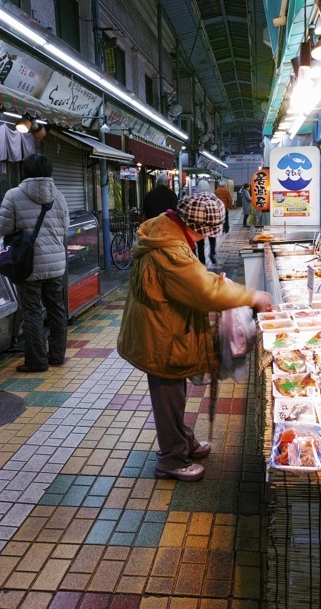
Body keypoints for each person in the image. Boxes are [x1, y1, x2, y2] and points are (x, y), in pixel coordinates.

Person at [117, 192, 271, 481]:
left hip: (162, 329)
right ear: (198, 228)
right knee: (167, 398)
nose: (204, 239)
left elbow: (198, 277)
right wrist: (253, 296)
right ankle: (171, 460)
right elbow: (204, 290)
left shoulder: (166, 229)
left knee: (174, 396)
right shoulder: (171, 250)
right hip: (159, 336)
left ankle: (183, 442)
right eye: (207, 233)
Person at [0, 154, 69, 372]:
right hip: (55, 265)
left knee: (32, 312)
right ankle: (56, 355)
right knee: (57, 311)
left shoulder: (13, 195)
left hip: (28, 266)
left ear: (25, 171)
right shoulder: (60, 197)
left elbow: (4, 229)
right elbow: (64, 229)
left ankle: (37, 361)